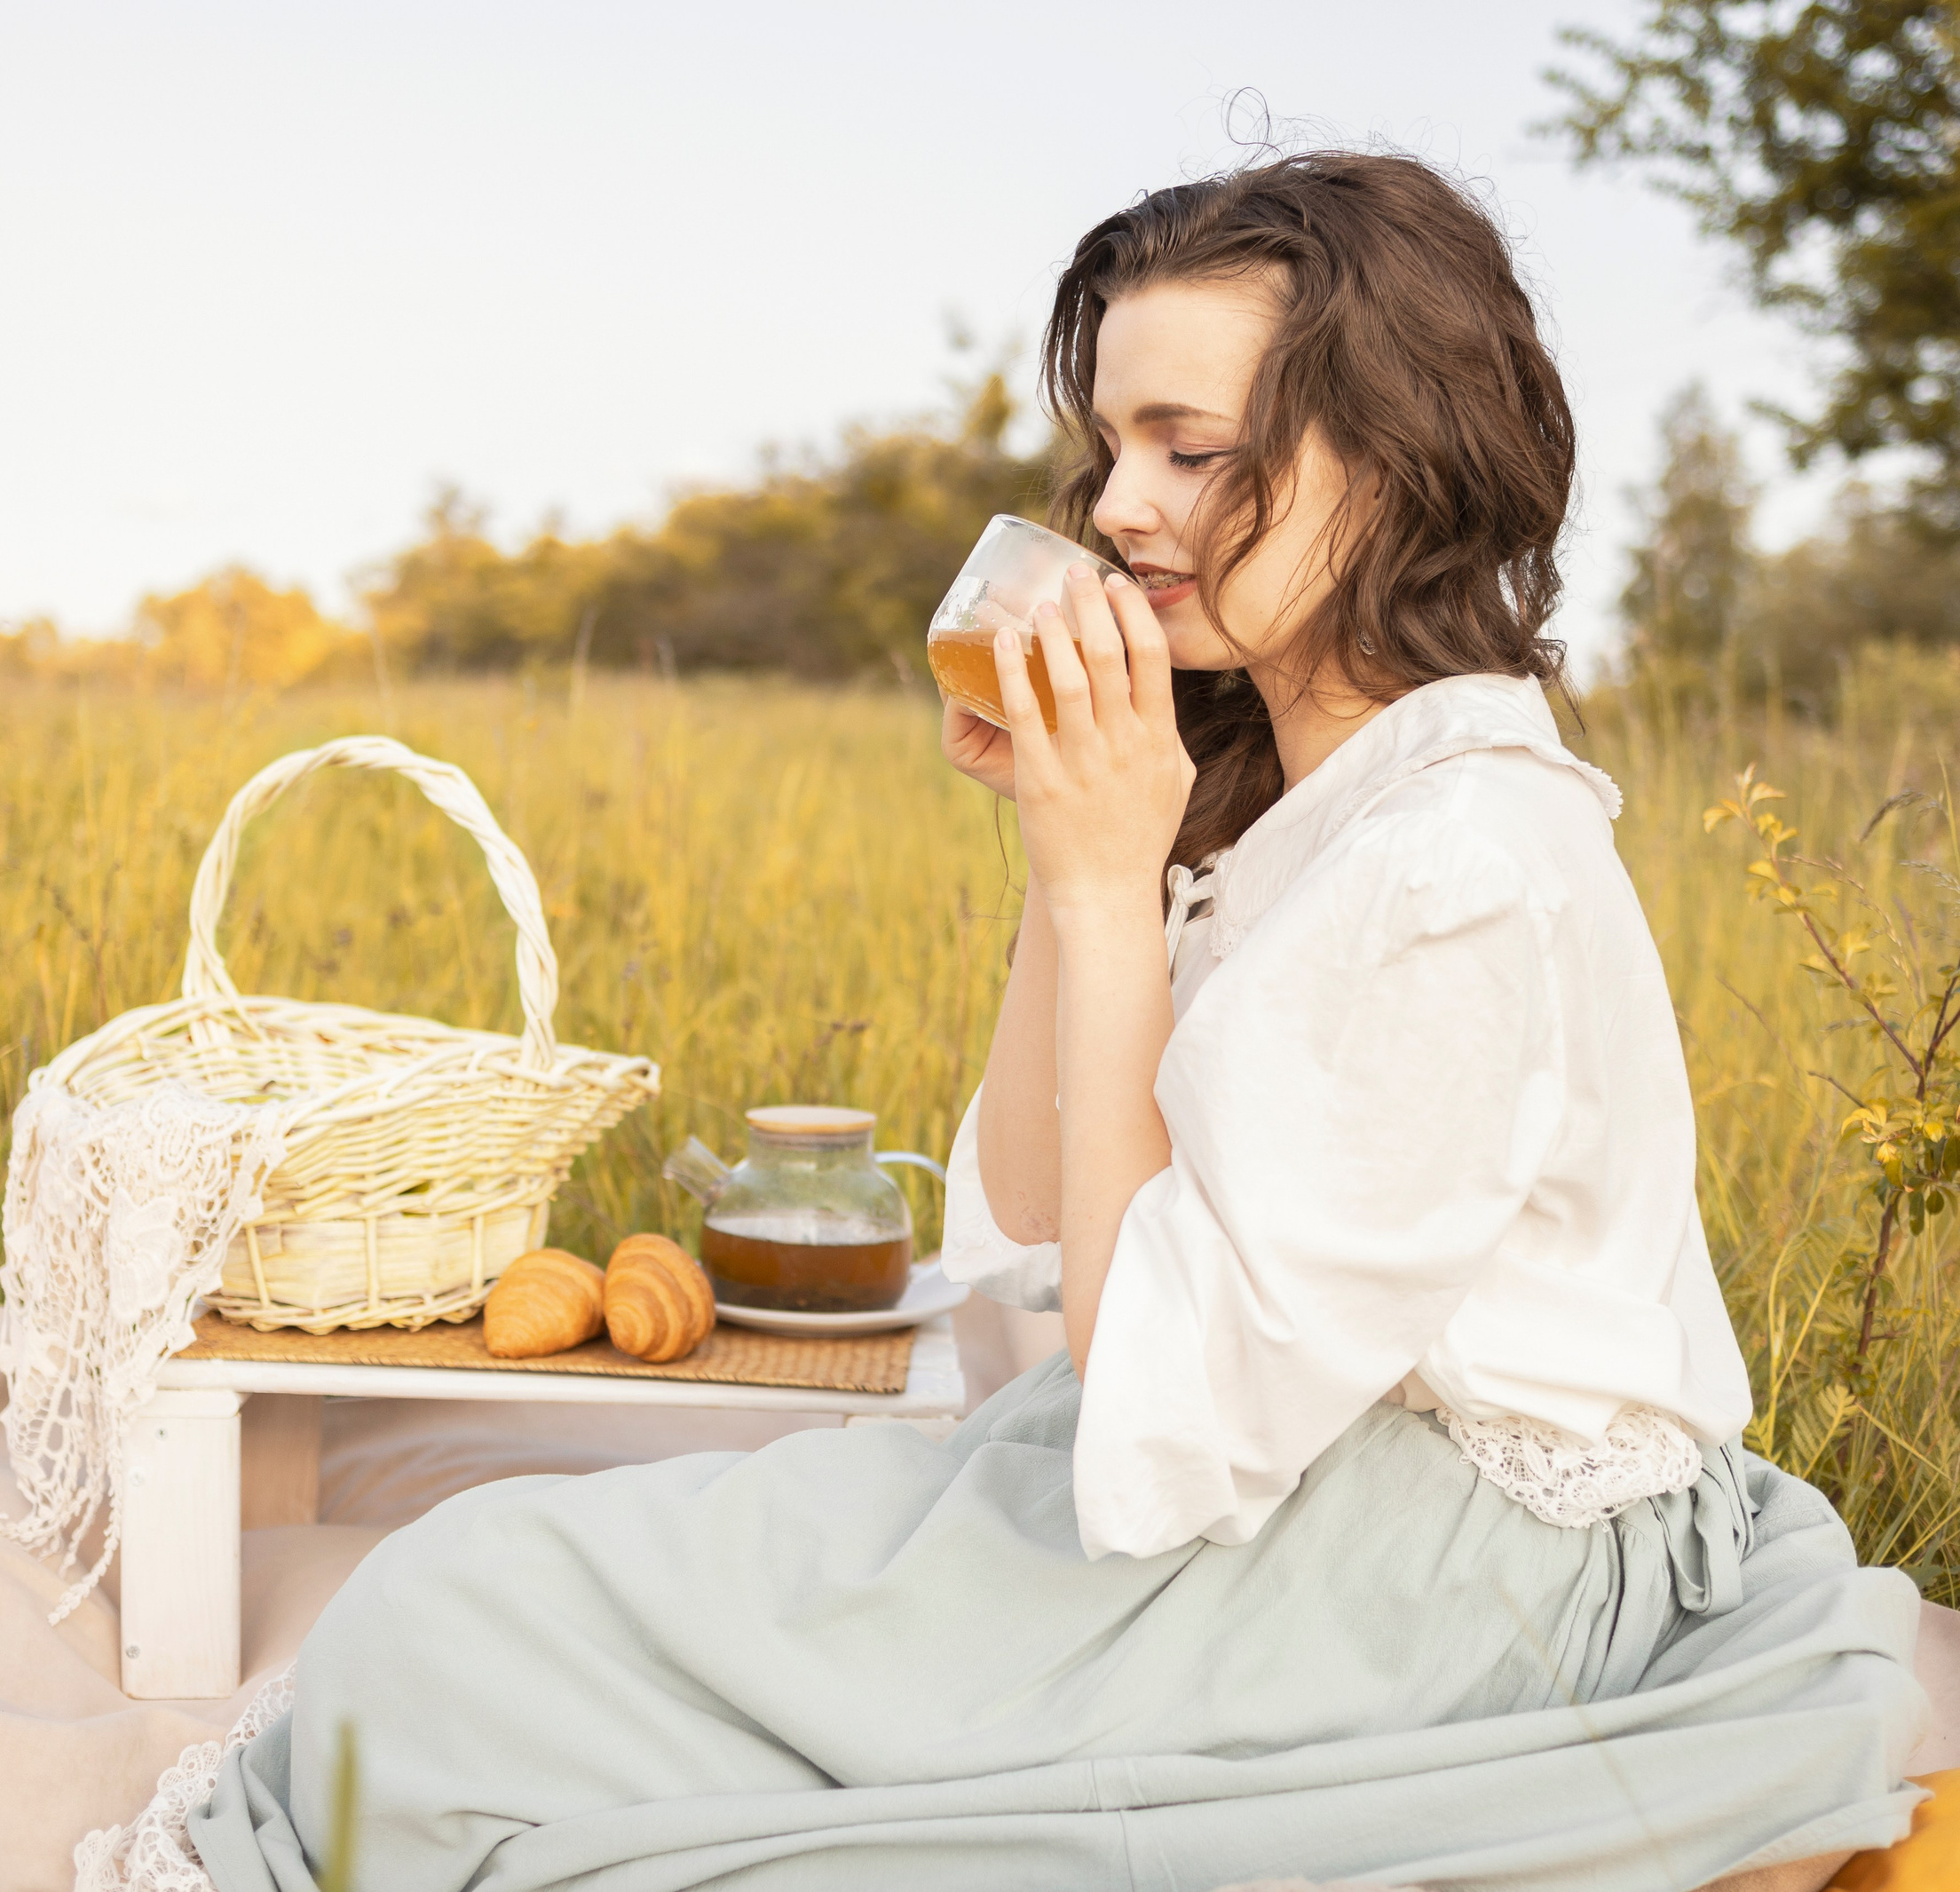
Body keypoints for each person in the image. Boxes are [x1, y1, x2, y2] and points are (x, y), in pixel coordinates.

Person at [167, 154, 1927, 1892]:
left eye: (1191, 446)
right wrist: (1067, 859)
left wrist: (1107, 888)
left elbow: (1162, 1401)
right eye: (1110, 452)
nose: (1122, 509)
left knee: (456, 1645)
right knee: (455, 1606)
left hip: (1436, 1561)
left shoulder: (1457, 857)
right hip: (1243, 1462)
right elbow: (1029, 1221)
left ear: (1393, 468)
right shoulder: (1291, 801)